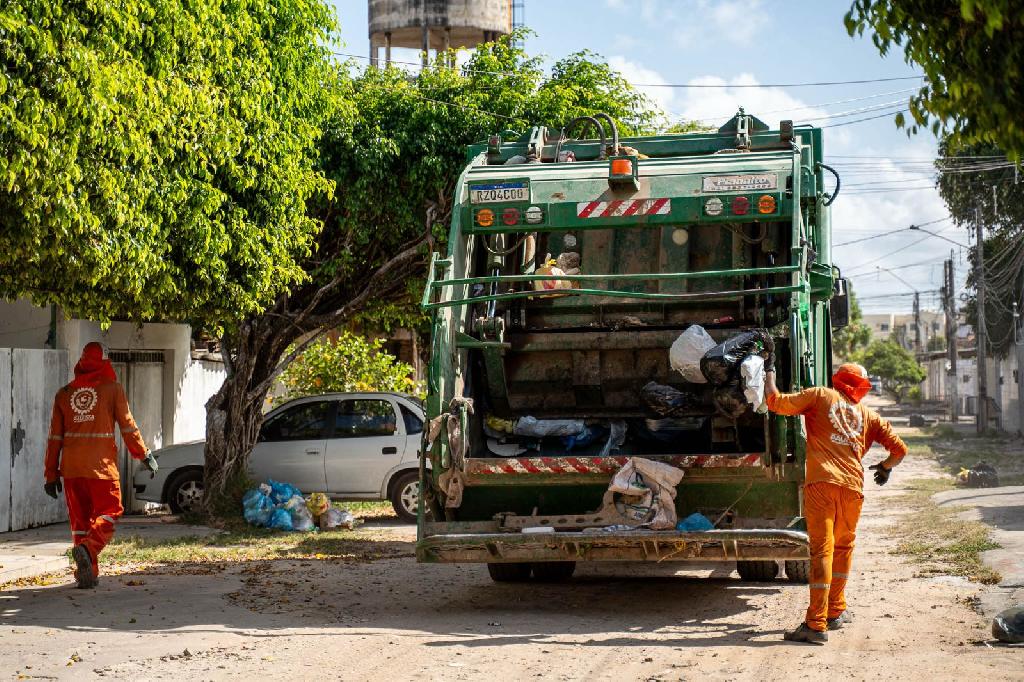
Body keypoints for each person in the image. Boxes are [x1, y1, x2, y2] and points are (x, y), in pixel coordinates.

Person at [764, 360, 907, 644]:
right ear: (863, 388)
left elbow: (775, 402)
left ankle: (816, 625)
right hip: (853, 489)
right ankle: (835, 610)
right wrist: (886, 467)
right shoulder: (869, 416)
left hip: (822, 485)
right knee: (843, 548)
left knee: (822, 551)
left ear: (838, 379)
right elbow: (900, 450)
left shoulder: (820, 395)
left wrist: (769, 371)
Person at [43, 342, 158, 588]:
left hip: (72, 470)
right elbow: (128, 426)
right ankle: (88, 549)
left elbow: (54, 438)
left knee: (81, 523)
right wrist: (143, 453)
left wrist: (51, 474)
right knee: (110, 511)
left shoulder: (63, 393)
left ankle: (88, 573)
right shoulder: (112, 389)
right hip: (101, 468)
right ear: (105, 363)